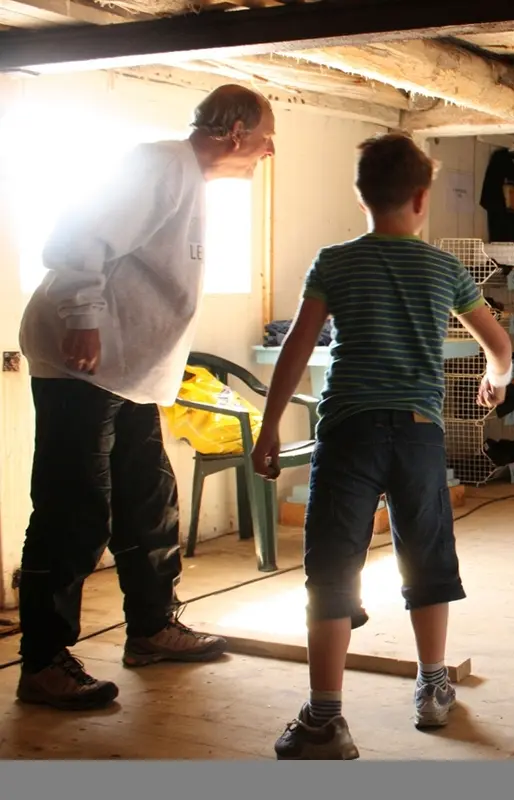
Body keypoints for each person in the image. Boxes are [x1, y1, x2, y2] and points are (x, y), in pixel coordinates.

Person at [251, 133, 513, 760]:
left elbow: (298, 349)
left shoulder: (334, 262)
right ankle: (431, 687)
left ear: (360, 195)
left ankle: (325, 719)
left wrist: (266, 429)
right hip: (419, 433)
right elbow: (497, 345)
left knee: (333, 565)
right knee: (427, 556)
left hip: (347, 433)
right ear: (422, 199)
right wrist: (495, 379)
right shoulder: (445, 268)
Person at [14, 85, 276, 712]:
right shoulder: (157, 164)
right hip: (83, 360)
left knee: (149, 498)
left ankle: (153, 630)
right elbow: (81, 233)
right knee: (72, 509)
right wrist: (82, 313)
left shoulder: (189, 181)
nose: (270, 151)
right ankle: (43, 662)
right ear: (235, 131)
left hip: (127, 370)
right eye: (267, 136)